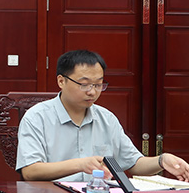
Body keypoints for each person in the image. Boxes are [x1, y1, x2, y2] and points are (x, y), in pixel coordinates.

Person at [16, 50, 189, 182]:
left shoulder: (107, 119)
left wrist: (161, 160)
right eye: (84, 84)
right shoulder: (36, 117)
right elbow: (30, 171)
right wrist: (80, 165)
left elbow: (134, 164)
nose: (92, 92)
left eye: (98, 84)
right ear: (61, 81)